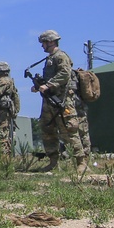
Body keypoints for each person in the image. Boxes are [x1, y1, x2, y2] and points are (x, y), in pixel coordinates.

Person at [31, 30, 86, 174]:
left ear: (50, 42)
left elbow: (64, 74)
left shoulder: (61, 56)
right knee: (47, 130)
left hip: (62, 101)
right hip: (49, 102)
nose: (42, 46)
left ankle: (81, 162)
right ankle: (53, 161)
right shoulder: (49, 59)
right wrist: (38, 87)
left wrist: (48, 85)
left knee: (70, 130)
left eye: (43, 42)